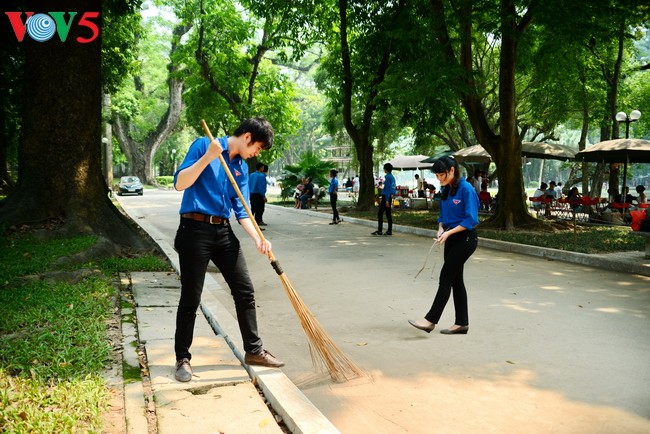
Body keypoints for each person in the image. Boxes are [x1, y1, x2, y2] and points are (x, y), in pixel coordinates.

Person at [172, 117, 284, 383]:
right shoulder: (204, 145)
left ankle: (254, 351)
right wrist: (208, 157)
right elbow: (180, 183)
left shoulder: (241, 168)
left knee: (244, 290)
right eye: (257, 147)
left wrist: (258, 237)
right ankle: (182, 358)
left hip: (223, 233)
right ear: (247, 137)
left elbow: (242, 210)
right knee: (191, 297)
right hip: (194, 230)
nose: (257, 153)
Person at [409, 156, 479, 335]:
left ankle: (430, 320)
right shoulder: (446, 190)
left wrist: (449, 232)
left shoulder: (466, 189)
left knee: (446, 277)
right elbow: (443, 216)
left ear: (452, 170)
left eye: (442, 175)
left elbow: (471, 219)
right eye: (438, 175)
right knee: (456, 280)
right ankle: (462, 323)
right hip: (451, 237)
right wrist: (441, 229)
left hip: (465, 239)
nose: (439, 179)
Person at [372, 163, 396, 236]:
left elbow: (388, 189)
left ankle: (380, 230)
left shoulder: (388, 177)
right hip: (389, 196)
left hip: (386, 197)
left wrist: (387, 200)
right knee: (388, 214)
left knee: (380, 213)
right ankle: (389, 231)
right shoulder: (392, 177)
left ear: (385, 169)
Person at [249, 162, 268, 227]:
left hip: (251, 194)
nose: (263, 168)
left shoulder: (251, 175)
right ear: (260, 168)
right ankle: (258, 222)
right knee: (260, 209)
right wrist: (263, 196)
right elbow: (261, 187)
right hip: (258, 194)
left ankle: (250, 221)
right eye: (262, 167)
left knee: (253, 208)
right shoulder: (262, 176)